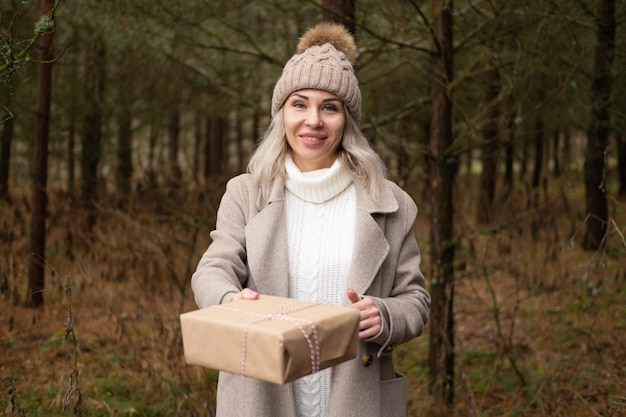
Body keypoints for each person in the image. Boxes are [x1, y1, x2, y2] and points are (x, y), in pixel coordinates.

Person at [191, 22, 430, 417]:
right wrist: (231, 301)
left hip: (356, 397)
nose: (313, 120)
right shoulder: (246, 193)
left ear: (347, 120)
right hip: (260, 395)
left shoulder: (392, 204)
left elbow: (416, 300)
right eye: (299, 104)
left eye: (330, 107)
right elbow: (212, 269)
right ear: (281, 113)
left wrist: (385, 315)